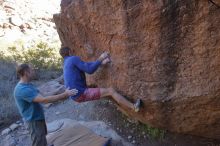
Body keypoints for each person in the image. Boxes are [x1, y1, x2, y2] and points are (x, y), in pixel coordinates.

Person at [60, 47, 141, 112]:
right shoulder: (73, 59)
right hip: (81, 93)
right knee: (110, 91)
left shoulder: (66, 63)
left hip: (75, 95)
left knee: (106, 92)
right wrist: (101, 57)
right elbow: (89, 70)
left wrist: (101, 63)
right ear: (70, 52)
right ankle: (134, 107)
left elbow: (86, 65)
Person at [13, 64, 78, 146]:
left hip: (37, 118)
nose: (34, 72)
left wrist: (61, 91)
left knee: (42, 136)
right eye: (32, 70)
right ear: (26, 72)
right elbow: (44, 100)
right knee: (38, 141)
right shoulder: (22, 89)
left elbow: (44, 94)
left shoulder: (28, 85)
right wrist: (65, 95)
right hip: (33, 121)